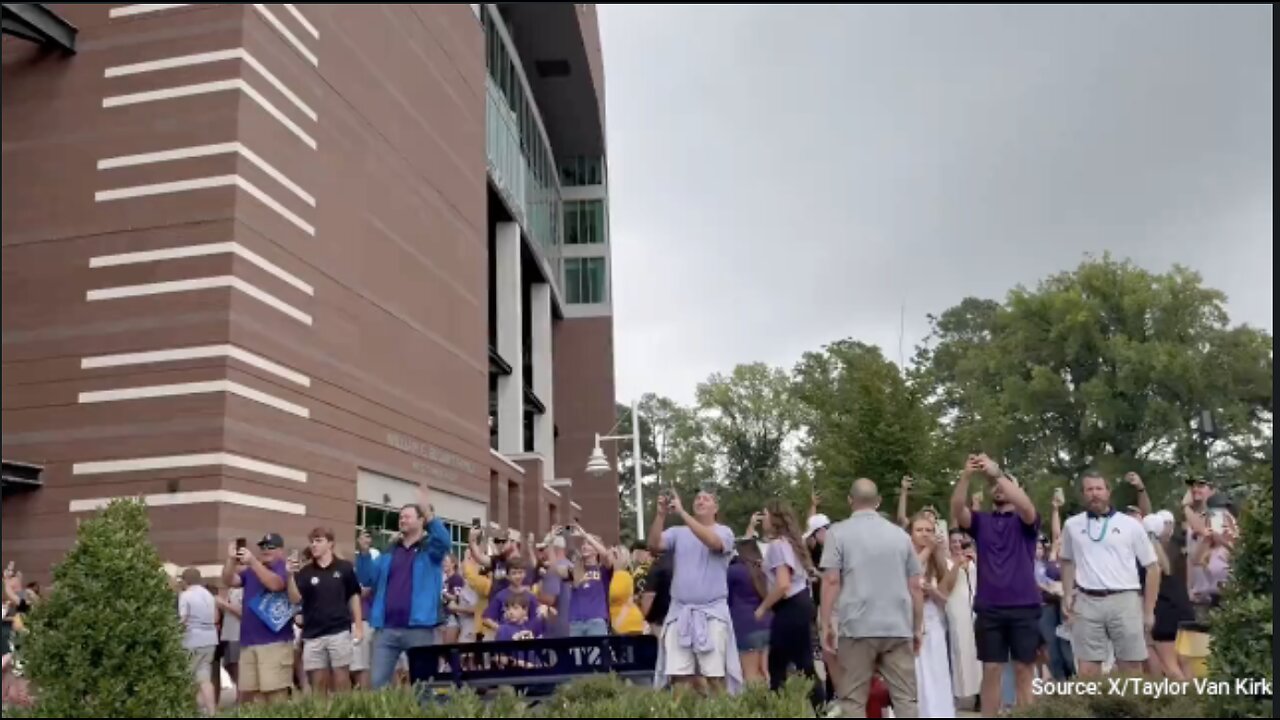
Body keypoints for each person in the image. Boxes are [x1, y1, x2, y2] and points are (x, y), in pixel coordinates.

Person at [820, 478, 922, 718]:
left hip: (857, 627)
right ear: (878, 502)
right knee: (906, 698)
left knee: (854, 699)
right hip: (897, 626)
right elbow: (916, 585)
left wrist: (826, 624)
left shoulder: (838, 533)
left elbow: (831, 581)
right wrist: (917, 627)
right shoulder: (900, 536)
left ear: (849, 501)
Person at [951, 454, 1041, 716]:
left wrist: (998, 473)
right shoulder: (982, 522)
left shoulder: (1027, 522)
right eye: (995, 486)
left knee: (1024, 671)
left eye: (1007, 485)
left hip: (1024, 606)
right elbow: (958, 509)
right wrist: (967, 475)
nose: (999, 488)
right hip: (990, 608)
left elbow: (1025, 507)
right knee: (991, 670)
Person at [1060, 472, 1161, 677]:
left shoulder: (1131, 524)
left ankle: (1130, 709)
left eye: (1099, 489)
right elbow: (1067, 561)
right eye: (1089, 489)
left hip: (1125, 600)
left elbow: (1152, 567)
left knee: (1131, 666)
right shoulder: (1072, 525)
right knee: (1087, 669)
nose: (1094, 494)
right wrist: (1067, 594)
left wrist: (1149, 610)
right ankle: (1094, 709)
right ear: (1082, 494)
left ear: (1108, 492)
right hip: (1087, 601)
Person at [647, 488, 743, 694]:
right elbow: (654, 545)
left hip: (712, 613)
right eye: (698, 498)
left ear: (715, 508)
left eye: (706, 498)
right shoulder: (678, 533)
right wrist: (661, 515)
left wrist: (682, 513)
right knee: (678, 675)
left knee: (714, 676)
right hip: (680, 613)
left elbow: (713, 542)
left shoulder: (724, 531)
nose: (700, 500)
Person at [366, 501, 453, 689]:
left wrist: (430, 515)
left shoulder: (430, 549)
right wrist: (365, 554)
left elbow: (445, 542)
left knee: (423, 686)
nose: (402, 520)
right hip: (386, 628)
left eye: (407, 516)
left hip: (419, 628)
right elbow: (370, 579)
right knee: (377, 683)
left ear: (420, 520)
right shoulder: (390, 550)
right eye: (400, 517)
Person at [755, 499, 825, 711]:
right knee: (805, 664)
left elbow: (783, 585)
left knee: (777, 665)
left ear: (774, 518)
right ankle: (822, 709)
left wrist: (763, 607)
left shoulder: (777, 545)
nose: (763, 520)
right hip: (803, 603)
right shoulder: (791, 543)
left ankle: (779, 711)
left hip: (789, 607)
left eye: (766, 515)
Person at [287, 527, 364, 696]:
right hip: (313, 634)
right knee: (318, 682)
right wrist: (290, 576)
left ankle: (345, 713)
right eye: (312, 541)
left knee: (341, 678)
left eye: (319, 541)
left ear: (330, 543)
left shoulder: (344, 567)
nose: (314, 545)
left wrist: (358, 625)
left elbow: (354, 596)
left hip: (339, 631)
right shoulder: (305, 572)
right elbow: (295, 599)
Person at [221, 533, 293, 705]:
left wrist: (253, 562)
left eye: (271, 547)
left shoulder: (284, 567)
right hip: (248, 642)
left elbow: (276, 585)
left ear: (281, 551)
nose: (265, 550)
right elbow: (229, 580)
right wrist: (231, 560)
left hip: (274, 643)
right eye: (263, 547)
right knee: (250, 697)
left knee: (275, 696)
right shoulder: (252, 570)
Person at [1142, 511, 1195, 680]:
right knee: (1185, 663)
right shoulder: (1176, 548)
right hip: (1184, 608)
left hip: (1164, 611)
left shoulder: (1147, 555)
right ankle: (1195, 700)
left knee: (1169, 665)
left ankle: (1181, 702)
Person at [944, 529, 982, 706]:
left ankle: (983, 692)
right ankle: (965, 691)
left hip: (976, 605)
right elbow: (946, 585)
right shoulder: (945, 561)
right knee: (961, 649)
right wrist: (957, 564)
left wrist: (977, 559)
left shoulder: (973, 558)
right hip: (956, 606)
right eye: (954, 541)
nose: (958, 545)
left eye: (961, 541)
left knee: (979, 649)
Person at [728, 536, 771, 685]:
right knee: (764, 672)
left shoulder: (733, 571)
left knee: (750, 673)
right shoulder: (763, 569)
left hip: (745, 625)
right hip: (767, 624)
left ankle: (757, 706)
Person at [179, 568, 220, 715]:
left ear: (185, 580)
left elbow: (183, 619)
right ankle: (211, 712)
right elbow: (215, 618)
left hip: (192, 640)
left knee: (187, 677)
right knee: (204, 677)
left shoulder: (185, 595)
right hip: (210, 639)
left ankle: (187, 711)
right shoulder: (209, 595)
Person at [567, 528, 614, 637]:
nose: (584, 546)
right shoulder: (575, 570)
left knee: (596, 653)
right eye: (583, 544)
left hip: (596, 620)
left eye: (589, 544)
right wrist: (551, 542)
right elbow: (556, 569)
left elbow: (606, 555)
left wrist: (586, 535)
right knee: (577, 654)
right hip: (576, 621)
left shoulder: (603, 569)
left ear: (596, 549)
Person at [535, 534, 573, 638]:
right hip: (572, 627)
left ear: (552, 548)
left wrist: (533, 594)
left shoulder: (552, 569)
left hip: (556, 630)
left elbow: (549, 599)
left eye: (543, 549)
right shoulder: (571, 567)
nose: (542, 553)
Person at [608, 547, 646, 635]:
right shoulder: (617, 575)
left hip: (626, 624)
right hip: (624, 623)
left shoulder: (623, 576)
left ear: (616, 558)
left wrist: (618, 623)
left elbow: (628, 602)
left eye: (610, 555)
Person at [216, 585, 243, 698]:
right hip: (227, 634)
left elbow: (243, 614)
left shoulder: (243, 591)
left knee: (237, 666)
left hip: (238, 634)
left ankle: (241, 697)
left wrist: (224, 604)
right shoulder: (230, 590)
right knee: (228, 665)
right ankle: (240, 694)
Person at [439, 554, 466, 644]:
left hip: (452, 617)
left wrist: (443, 593)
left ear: (453, 564)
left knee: (449, 648)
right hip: (444, 616)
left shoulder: (457, 579)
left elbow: (457, 597)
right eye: (443, 561)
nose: (443, 564)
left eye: (446, 561)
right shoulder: (445, 580)